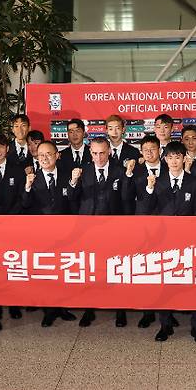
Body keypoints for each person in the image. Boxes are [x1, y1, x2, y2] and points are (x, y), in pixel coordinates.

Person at [137, 141, 196, 343]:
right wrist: (149, 189)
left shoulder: (195, 183)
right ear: (164, 159)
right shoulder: (156, 182)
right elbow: (145, 211)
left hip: (189, 242)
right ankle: (165, 326)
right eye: (170, 157)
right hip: (163, 243)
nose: (174, 161)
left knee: (195, 284)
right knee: (164, 285)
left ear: (185, 158)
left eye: (178, 157)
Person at [67, 137, 126, 327]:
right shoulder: (83, 171)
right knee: (90, 270)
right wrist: (73, 181)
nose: (99, 157)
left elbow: (126, 200)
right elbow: (72, 198)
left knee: (116, 270)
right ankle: (89, 308)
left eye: (102, 153)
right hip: (88, 230)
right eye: (94, 153)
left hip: (115, 229)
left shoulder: (120, 170)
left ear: (109, 151)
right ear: (90, 152)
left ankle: (120, 309)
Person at [21, 141, 77, 327]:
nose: (45, 158)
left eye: (49, 154)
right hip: (41, 235)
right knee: (46, 273)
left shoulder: (66, 176)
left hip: (65, 233)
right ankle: (49, 310)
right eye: (41, 155)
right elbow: (25, 205)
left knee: (63, 271)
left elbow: (73, 202)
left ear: (57, 155)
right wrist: (27, 187)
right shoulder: (32, 178)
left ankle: (63, 307)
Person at [121, 135, 168, 327]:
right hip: (143, 226)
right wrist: (129, 175)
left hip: (167, 225)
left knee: (166, 269)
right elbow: (125, 196)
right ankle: (148, 311)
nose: (149, 152)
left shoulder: (170, 167)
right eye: (145, 149)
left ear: (160, 151)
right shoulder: (135, 170)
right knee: (148, 270)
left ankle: (167, 310)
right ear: (141, 152)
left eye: (153, 149)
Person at [0, 133, 26, 319]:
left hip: (14, 224)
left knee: (13, 265)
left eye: (1, 146)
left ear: (7, 149)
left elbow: (21, 198)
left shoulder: (17, 170)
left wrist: (11, 218)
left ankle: (14, 304)